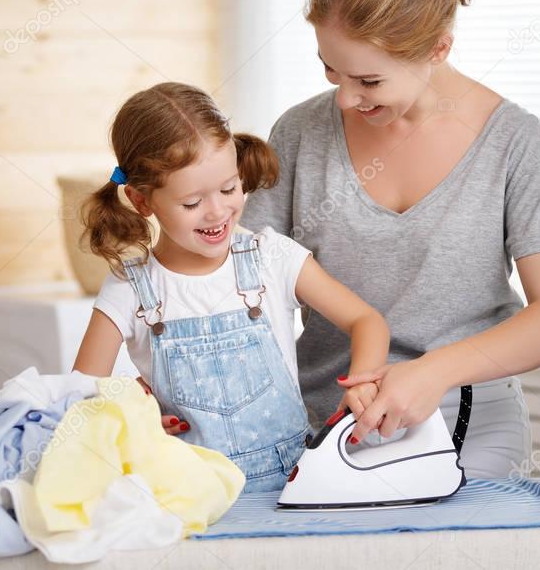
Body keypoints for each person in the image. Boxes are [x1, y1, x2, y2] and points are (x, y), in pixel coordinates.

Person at [240, 0, 540, 479]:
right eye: (331, 70)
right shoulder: (299, 133)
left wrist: (433, 372)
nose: (345, 98)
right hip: (322, 422)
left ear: (438, 49)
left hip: (465, 414)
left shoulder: (515, 143)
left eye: (368, 80)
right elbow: (243, 285)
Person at [72, 82, 390, 492]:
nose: (218, 211)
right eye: (192, 203)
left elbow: (367, 320)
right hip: (189, 496)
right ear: (142, 201)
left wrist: (363, 379)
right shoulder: (130, 289)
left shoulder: (272, 258)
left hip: (294, 487)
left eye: (229, 188)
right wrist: (126, 409)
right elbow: (77, 397)